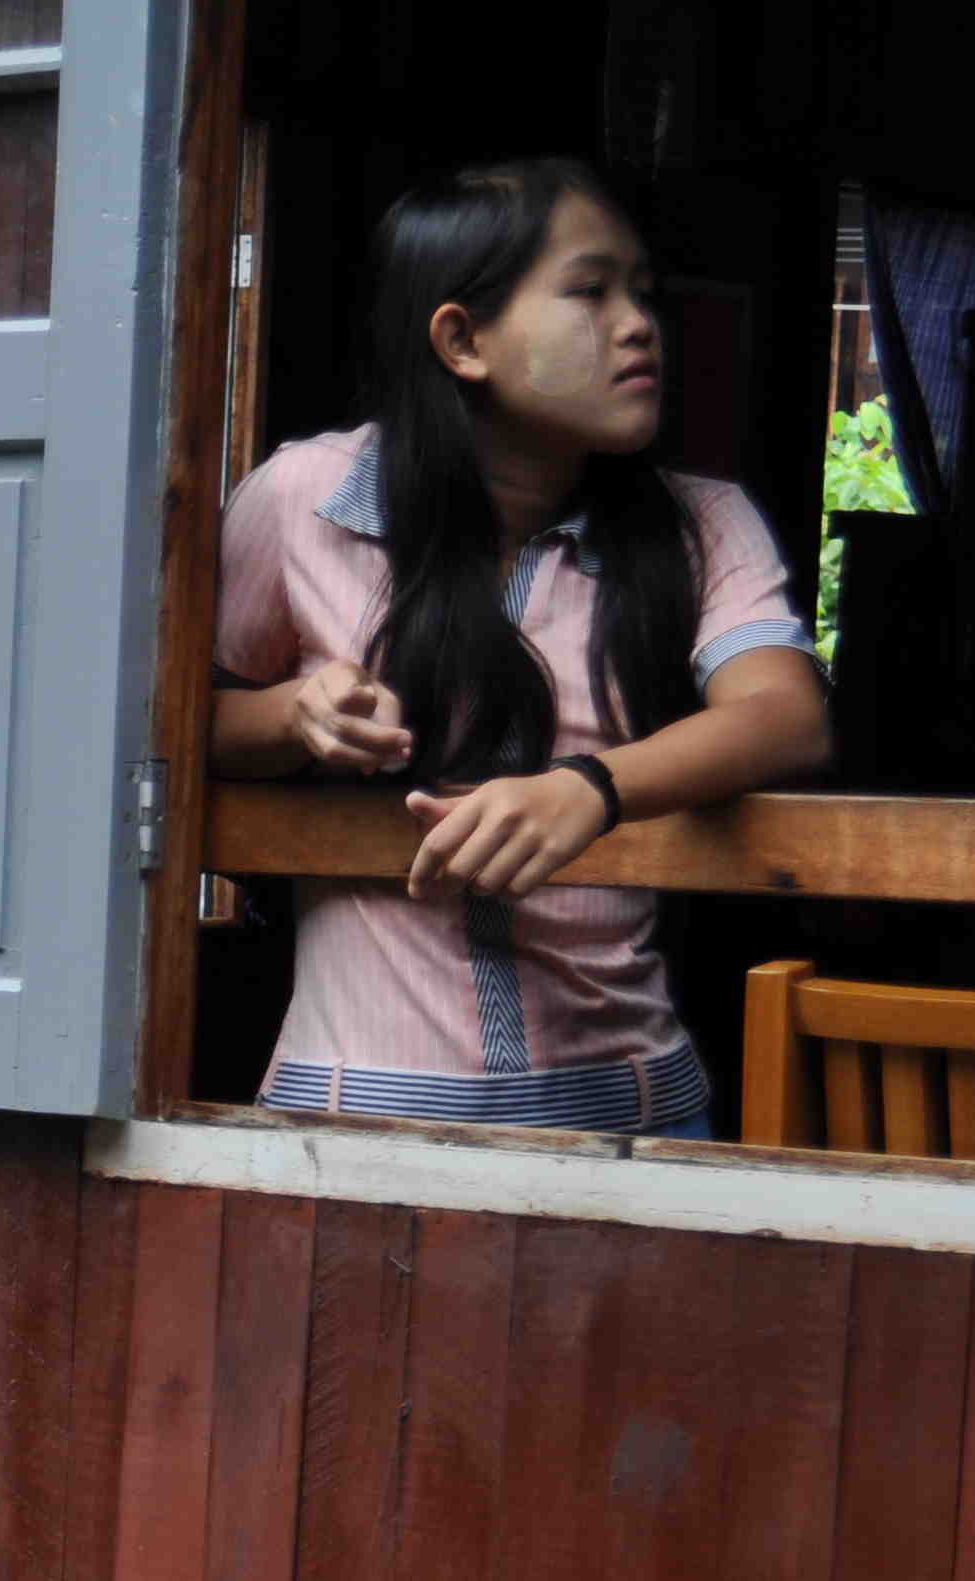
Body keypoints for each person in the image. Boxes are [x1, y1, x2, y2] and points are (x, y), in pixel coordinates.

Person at [212, 158, 833, 1135]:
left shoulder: (701, 523)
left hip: (636, 1112)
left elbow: (785, 716)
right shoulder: (301, 500)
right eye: (590, 292)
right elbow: (182, 730)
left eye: (641, 292)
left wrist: (588, 789)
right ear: (462, 340)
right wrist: (296, 714)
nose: (639, 324)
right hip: (358, 1109)